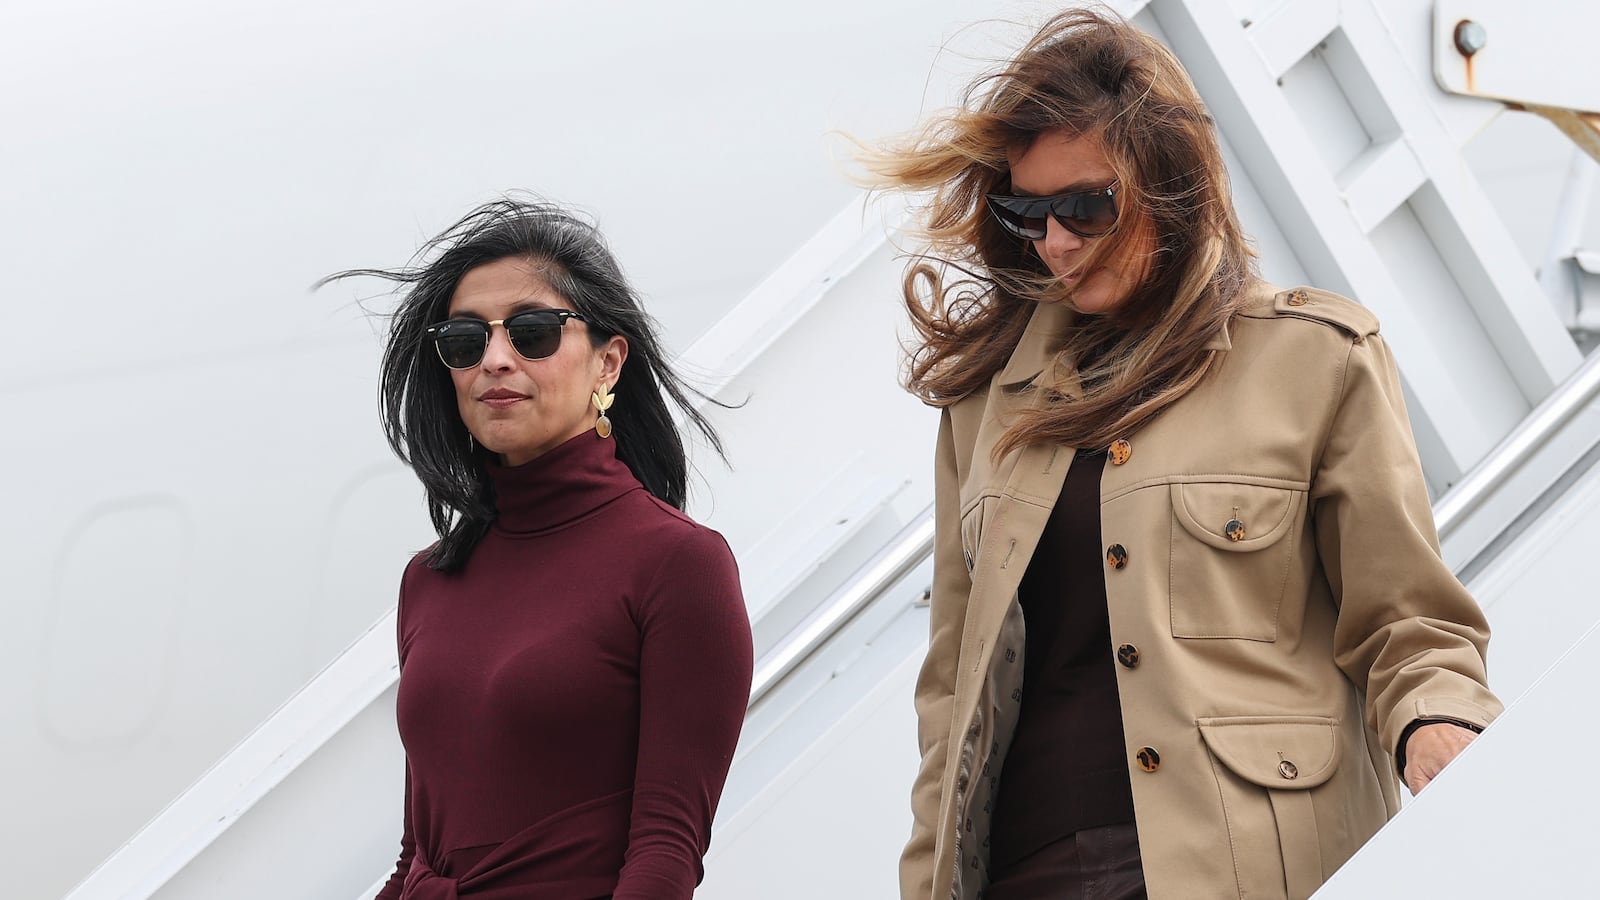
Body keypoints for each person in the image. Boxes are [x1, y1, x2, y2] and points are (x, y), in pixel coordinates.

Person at [861, 9, 1502, 900]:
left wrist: (1434, 721)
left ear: (1169, 180)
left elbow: (1408, 617)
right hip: (1026, 872)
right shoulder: (982, 408)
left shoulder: (1318, 358)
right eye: (1028, 213)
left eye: (1084, 207)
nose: (1055, 243)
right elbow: (951, 697)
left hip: (1242, 865)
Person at [328, 198, 754, 900]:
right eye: (466, 342)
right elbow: (417, 852)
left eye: (533, 333)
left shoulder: (679, 566)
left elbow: (666, 849)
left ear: (607, 363)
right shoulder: (430, 579)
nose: (496, 359)